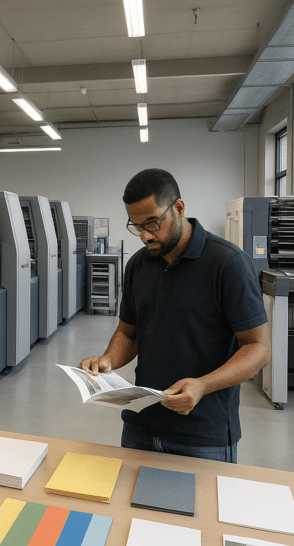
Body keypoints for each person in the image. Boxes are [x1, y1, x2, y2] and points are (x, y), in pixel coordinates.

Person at [78, 168, 270, 462]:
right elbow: (129, 332)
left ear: (179, 208)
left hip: (203, 435)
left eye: (153, 223)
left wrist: (203, 385)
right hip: (140, 426)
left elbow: (258, 348)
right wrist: (108, 361)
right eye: (136, 226)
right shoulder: (138, 265)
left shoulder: (228, 264)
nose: (144, 235)